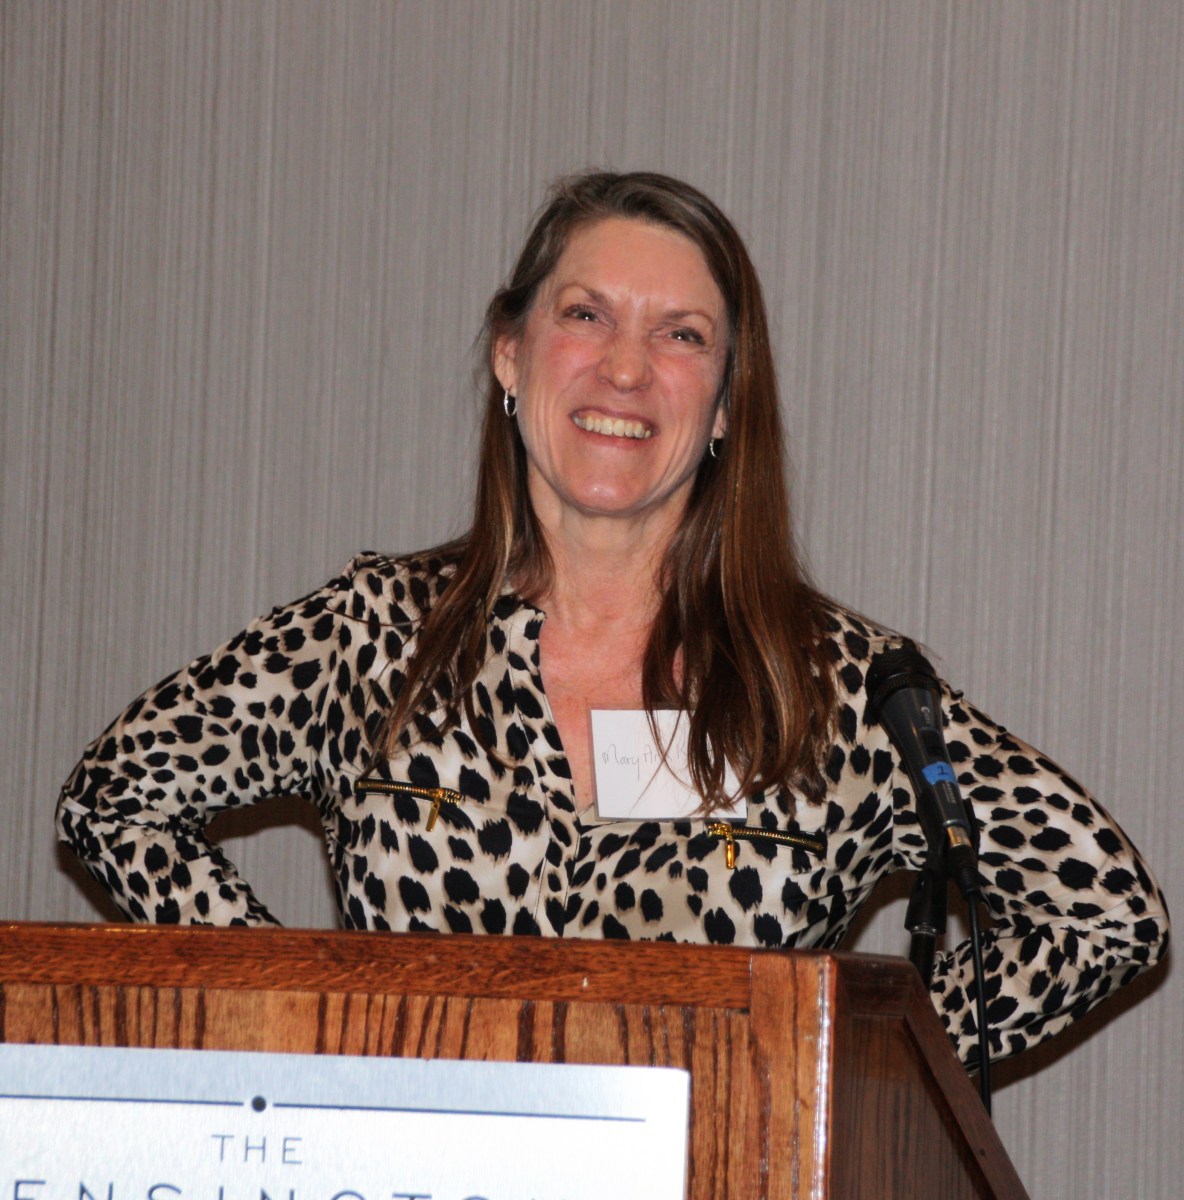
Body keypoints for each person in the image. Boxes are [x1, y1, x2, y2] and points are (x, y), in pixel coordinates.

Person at [57, 170, 1168, 1068]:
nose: (626, 369)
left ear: (725, 403)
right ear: (510, 352)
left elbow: (1107, 917)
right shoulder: (375, 633)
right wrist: (313, 1025)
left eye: (681, 336)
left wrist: (838, 1066)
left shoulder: (840, 687)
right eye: (585, 315)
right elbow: (113, 800)